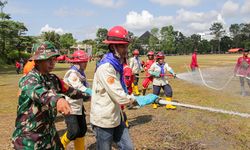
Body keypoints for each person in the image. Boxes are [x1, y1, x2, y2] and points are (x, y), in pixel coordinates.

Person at [11, 42, 90, 150]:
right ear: (38, 61)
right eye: (49, 59)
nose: (53, 63)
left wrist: (89, 95)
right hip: (29, 139)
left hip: (49, 135)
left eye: (54, 59)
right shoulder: (29, 79)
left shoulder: (53, 79)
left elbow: (71, 91)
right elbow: (41, 93)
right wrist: (58, 100)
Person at [90, 25, 158, 150]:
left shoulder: (117, 64)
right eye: (122, 46)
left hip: (117, 116)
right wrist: (140, 99)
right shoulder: (106, 67)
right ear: (112, 47)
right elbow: (120, 97)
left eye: (126, 46)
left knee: (128, 147)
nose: (126, 49)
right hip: (104, 120)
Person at [60, 50, 92, 149]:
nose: (86, 64)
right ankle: (59, 147)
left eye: (86, 61)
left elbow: (85, 86)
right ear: (77, 62)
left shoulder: (80, 73)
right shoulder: (72, 73)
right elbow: (79, 87)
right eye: (84, 62)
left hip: (78, 105)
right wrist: (91, 92)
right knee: (73, 131)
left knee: (82, 130)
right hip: (69, 106)